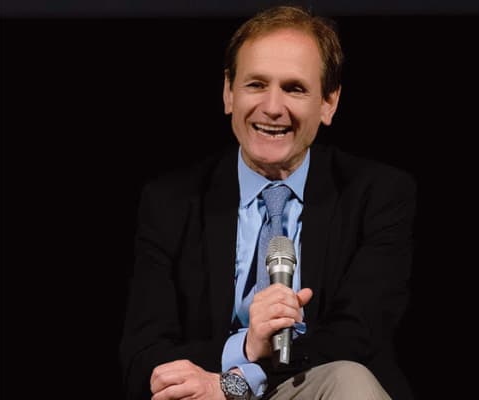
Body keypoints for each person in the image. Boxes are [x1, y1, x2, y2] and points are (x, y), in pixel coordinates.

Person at [119, 5, 416, 400]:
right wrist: (245, 347)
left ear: (329, 102)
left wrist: (238, 382)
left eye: (294, 88)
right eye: (256, 85)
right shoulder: (171, 202)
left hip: (316, 387)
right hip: (202, 393)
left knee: (350, 379)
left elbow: (356, 337)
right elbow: (144, 356)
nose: (273, 107)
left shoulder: (377, 195)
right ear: (229, 93)